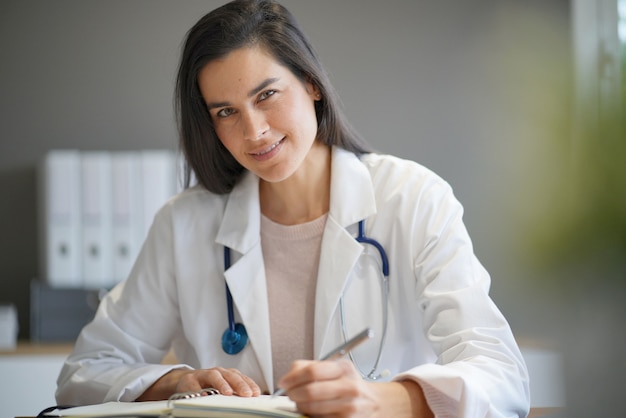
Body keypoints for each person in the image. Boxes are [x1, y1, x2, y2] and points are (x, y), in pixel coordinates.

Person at [56, 0, 530, 416]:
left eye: (266, 95)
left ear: (311, 84)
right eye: (226, 111)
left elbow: (502, 376)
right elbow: (82, 373)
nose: (254, 131)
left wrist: (378, 402)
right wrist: (175, 382)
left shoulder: (413, 199)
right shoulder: (184, 224)